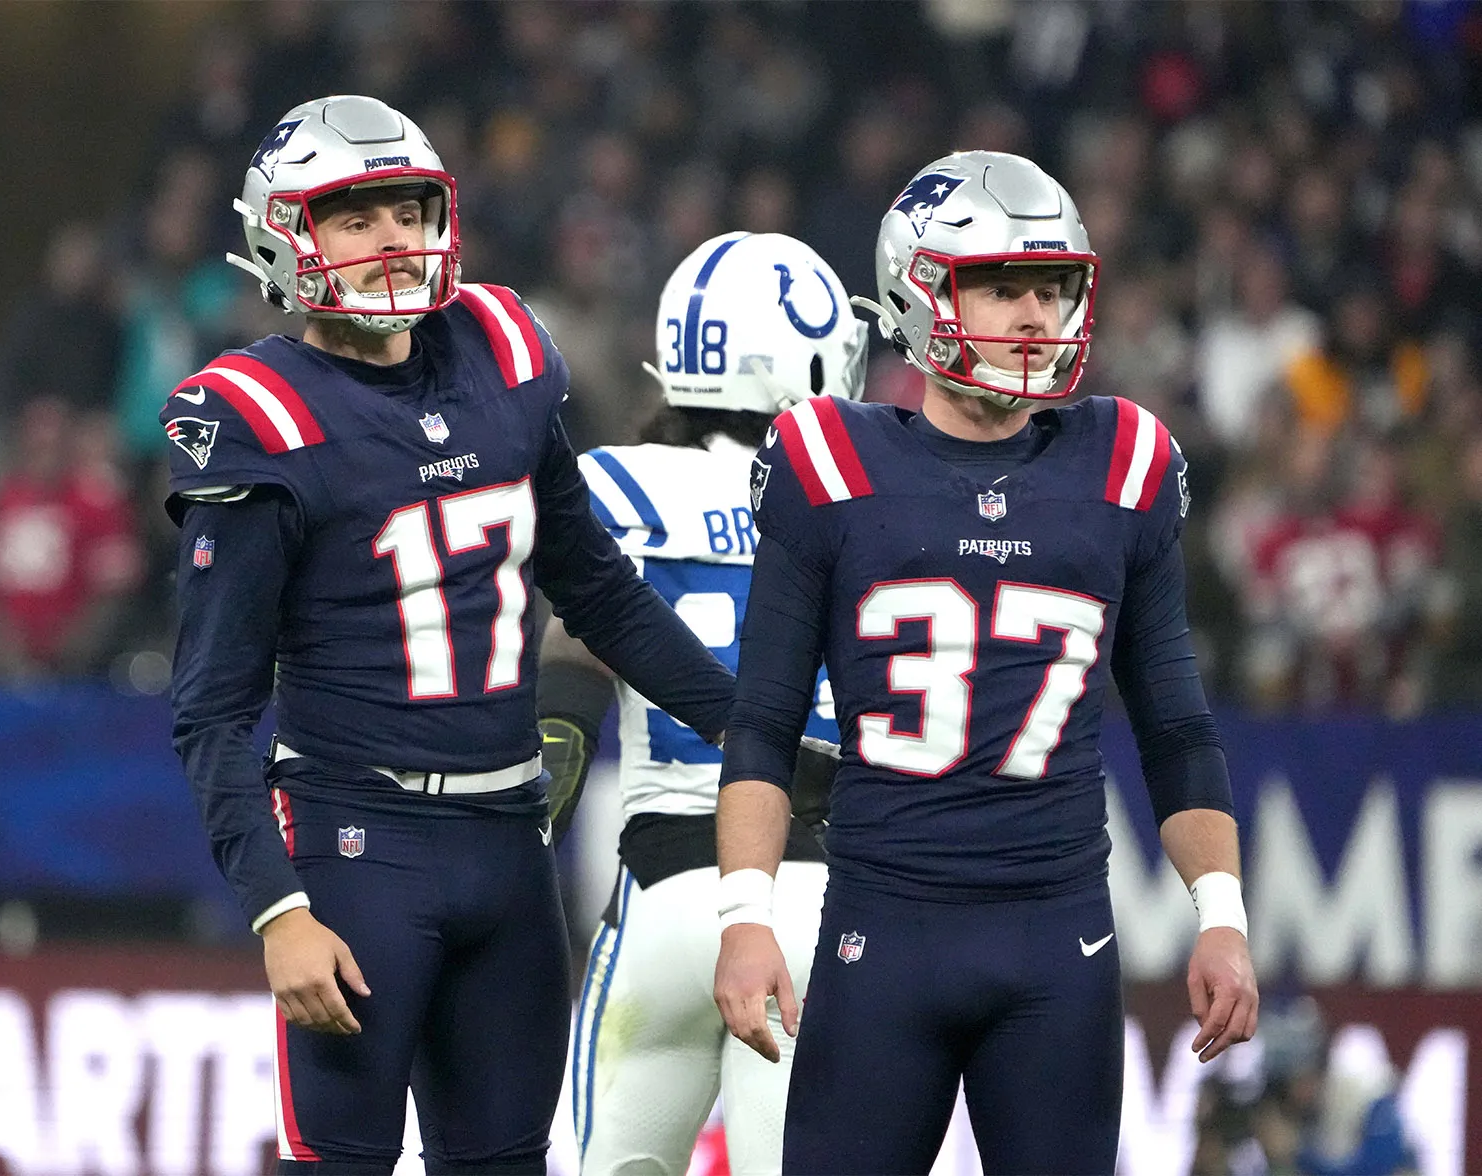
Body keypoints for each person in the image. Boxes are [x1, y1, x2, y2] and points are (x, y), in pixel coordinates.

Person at [162, 95, 736, 1174]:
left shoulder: (502, 352)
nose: (393, 240)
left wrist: (751, 731)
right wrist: (277, 910)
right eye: (355, 216)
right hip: (354, 845)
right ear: (284, 238)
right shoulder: (258, 416)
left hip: (510, 841)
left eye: (409, 210)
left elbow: (599, 594)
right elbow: (210, 710)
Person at [712, 151, 1260, 1174]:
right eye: (999, 285)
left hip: (1056, 942)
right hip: (881, 931)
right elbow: (764, 718)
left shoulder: (1124, 462)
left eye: (1050, 287)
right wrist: (743, 914)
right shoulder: (826, 461)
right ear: (916, 293)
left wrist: (1221, 916)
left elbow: (1175, 726)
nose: (1031, 313)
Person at [538, 232, 866, 1175]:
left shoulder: (611, 482)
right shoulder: (859, 498)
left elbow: (565, 681)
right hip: (811, 891)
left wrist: (519, 851)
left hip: (662, 893)